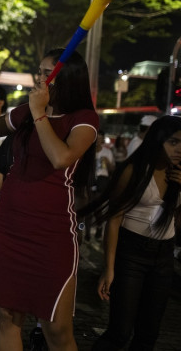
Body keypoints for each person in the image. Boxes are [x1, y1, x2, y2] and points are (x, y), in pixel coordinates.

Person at [0, 48, 99, 350]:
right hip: (9, 227)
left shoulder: (83, 119)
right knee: (7, 318)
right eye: (41, 71)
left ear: (67, 77)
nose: (41, 78)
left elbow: (61, 158)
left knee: (56, 329)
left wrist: (39, 113)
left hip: (52, 233)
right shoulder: (28, 111)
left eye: (48, 72)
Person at [78, 115, 181, 351]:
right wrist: (109, 268)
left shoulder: (177, 174)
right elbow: (114, 221)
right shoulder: (134, 171)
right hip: (132, 254)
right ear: (158, 140)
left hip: (163, 258)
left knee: (148, 335)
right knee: (119, 333)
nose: (179, 149)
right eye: (174, 142)